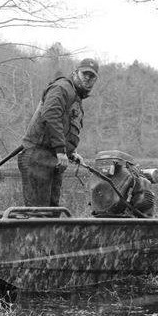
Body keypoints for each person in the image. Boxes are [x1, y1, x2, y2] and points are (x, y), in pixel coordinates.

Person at [18, 58, 100, 207]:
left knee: (52, 214)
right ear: (75, 73)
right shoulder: (62, 88)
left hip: (52, 158)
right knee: (38, 215)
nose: (88, 78)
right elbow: (50, 115)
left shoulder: (75, 96)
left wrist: (71, 151)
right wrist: (61, 151)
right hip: (38, 157)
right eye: (85, 74)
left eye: (92, 76)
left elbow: (65, 126)